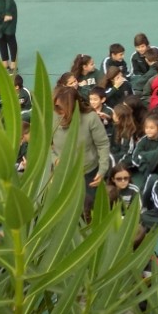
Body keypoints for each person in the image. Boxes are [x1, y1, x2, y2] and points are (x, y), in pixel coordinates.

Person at [51, 84, 111, 216]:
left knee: (89, 211)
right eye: (56, 107)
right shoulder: (52, 117)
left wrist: (102, 170)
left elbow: (102, 144)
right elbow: (46, 146)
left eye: (61, 107)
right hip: (63, 173)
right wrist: (55, 159)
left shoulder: (90, 118)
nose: (58, 111)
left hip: (89, 173)